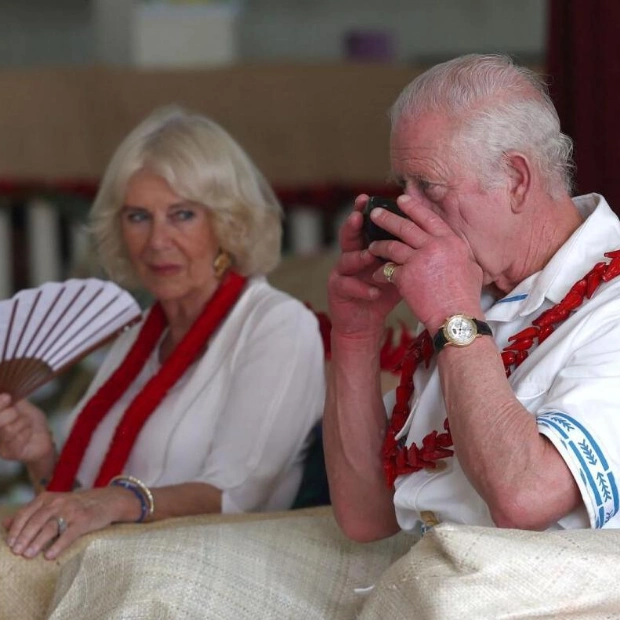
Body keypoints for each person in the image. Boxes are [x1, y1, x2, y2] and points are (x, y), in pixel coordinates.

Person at [0, 105, 326, 559]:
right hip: (106, 563)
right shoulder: (139, 333)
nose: (157, 241)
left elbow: (241, 492)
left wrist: (117, 500)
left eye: (182, 215)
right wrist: (41, 455)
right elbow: (85, 501)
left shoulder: (277, 324)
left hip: (205, 571)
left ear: (226, 221)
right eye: (138, 217)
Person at [323, 53, 620, 543]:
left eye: (430, 187)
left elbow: (525, 498)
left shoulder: (605, 304)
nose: (408, 211)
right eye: (402, 187)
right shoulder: (468, 283)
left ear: (517, 181)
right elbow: (365, 518)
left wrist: (454, 316)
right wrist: (356, 333)